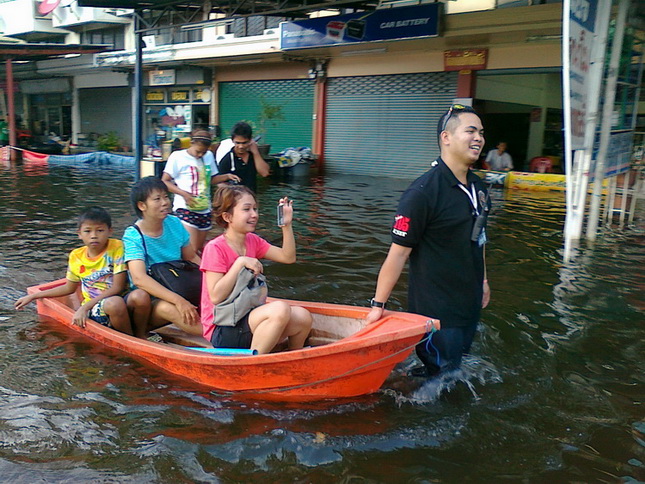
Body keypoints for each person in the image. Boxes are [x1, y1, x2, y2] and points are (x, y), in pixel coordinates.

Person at [366, 104, 491, 377]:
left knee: (455, 373)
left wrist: (483, 281)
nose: (479, 138)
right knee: (438, 377)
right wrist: (378, 305)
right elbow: (398, 254)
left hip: (468, 303)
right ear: (446, 137)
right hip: (436, 310)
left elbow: (479, 237)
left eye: (481, 132)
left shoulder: (479, 188)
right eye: (470, 131)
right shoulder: (422, 193)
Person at [201, 185, 312, 354]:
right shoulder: (215, 248)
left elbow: (287, 257)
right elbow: (216, 296)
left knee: (302, 317)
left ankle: (293, 359)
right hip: (222, 327)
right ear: (227, 216)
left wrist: (286, 225)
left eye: (255, 209)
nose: (254, 214)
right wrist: (240, 263)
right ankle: (253, 364)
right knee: (280, 309)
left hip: (248, 315)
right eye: (246, 209)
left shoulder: (252, 241)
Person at [14, 207, 150, 336]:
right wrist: (34, 296)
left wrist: (83, 308)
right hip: (97, 308)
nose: (94, 236)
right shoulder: (76, 256)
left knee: (141, 295)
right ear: (79, 234)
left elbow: (118, 287)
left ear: (110, 231)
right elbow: (69, 287)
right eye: (88, 231)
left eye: (100, 231)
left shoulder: (116, 247)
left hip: (120, 300)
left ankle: (140, 334)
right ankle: (130, 339)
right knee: (114, 303)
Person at [122, 176, 203, 337]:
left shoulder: (174, 223)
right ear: (142, 205)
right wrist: (179, 301)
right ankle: (222, 340)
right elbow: (139, 279)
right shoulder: (133, 235)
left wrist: (213, 281)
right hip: (150, 301)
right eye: (157, 199)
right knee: (165, 307)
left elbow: (191, 258)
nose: (165, 202)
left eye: (166, 197)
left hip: (179, 287)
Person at [161, 129, 240, 254]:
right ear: (191, 143)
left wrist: (227, 176)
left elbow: (212, 179)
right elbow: (165, 181)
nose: (200, 155)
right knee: (190, 250)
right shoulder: (177, 157)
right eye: (198, 151)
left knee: (198, 249)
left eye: (203, 152)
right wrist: (184, 194)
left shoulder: (208, 156)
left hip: (204, 208)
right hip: (185, 207)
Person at [216, 122, 270, 192]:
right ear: (232, 141)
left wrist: (255, 152)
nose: (241, 146)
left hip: (251, 197)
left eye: (244, 143)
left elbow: (265, 173)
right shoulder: (227, 159)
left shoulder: (253, 155)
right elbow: (219, 184)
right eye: (237, 143)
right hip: (234, 199)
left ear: (250, 140)